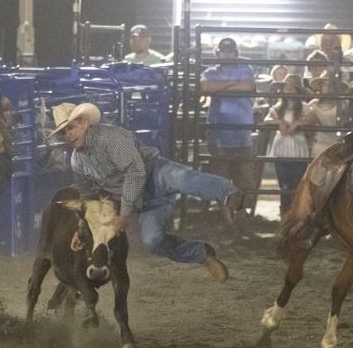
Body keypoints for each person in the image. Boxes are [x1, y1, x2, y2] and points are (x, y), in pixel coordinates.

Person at [51, 102, 238, 282]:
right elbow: (88, 199)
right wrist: (82, 230)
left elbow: (135, 172)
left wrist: (124, 214)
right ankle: (203, 255)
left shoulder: (110, 137)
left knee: (181, 177)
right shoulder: (78, 161)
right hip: (143, 203)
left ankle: (230, 193)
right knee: (152, 241)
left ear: (84, 123)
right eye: (64, 132)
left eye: (71, 127)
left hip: (154, 173)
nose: (68, 135)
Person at [200, 37, 256, 211]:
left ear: (236, 53)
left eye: (230, 51)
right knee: (220, 174)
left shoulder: (244, 69)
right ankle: (224, 212)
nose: (227, 54)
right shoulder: (211, 72)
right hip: (220, 132)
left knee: (244, 175)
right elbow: (206, 88)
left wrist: (220, 87)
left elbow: (247, 86)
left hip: (241, 132)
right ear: (218, 53)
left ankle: (238, 212)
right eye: (224, 51)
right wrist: (234, 84)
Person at [263, 74, 311, 216]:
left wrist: (297, 124)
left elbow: (311, 120)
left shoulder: (304, 107)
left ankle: (295, 213)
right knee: (284, 183)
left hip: (298, 147)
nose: (289, 91)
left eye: (292, 88)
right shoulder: (278, 107)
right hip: (282, 147)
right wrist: (280, 122)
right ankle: (284, 212)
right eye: (286, 87)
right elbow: (266, 120)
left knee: (297, 182)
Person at [305, 73, 347, 158]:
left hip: (337, 146)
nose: (328, 87)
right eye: (324, 84)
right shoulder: (313, 104)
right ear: (320, 86)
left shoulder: (343, 104)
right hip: (318, 146)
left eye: (331, 84)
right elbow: (306, 123)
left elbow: (351, 122)